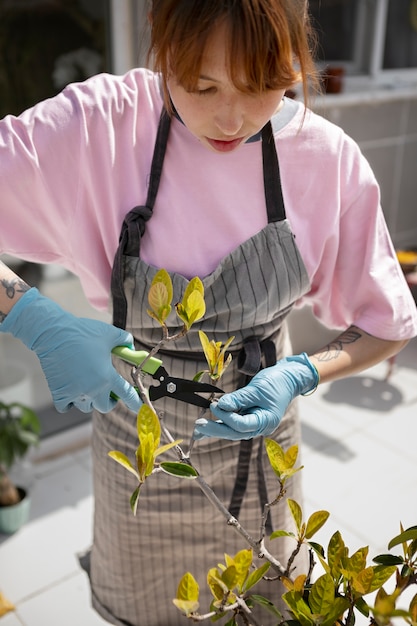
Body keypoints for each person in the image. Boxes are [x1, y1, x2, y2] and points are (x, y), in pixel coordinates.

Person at [1, 1, 417, 624]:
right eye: (200, 85)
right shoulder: (97, 127)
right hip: (138, 458)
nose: (232, 118)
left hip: (262, 457)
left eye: (266, 85)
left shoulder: (325, 160)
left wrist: (300, 373)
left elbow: (387, 326)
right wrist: (34, 316)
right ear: (163, 49)